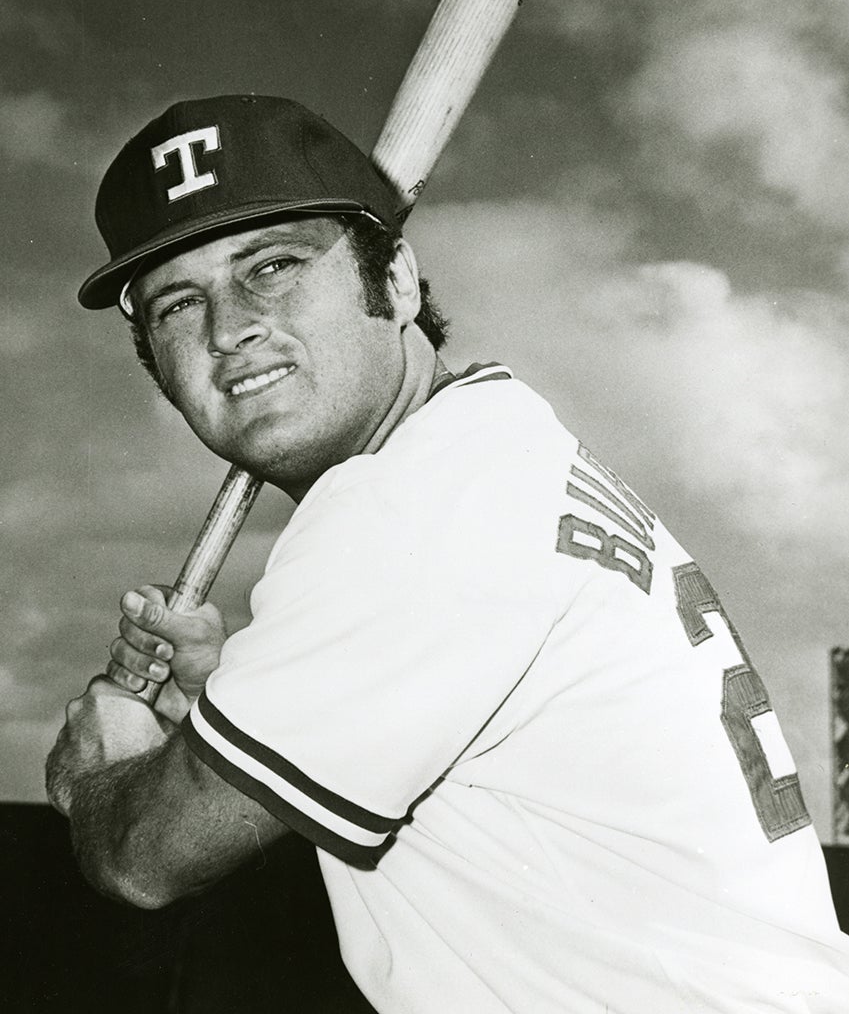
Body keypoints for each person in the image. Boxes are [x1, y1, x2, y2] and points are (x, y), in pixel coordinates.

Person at [47, 93, 849, 1013]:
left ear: (393, 284)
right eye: (178, 304)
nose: (230, 329)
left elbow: (145, 858)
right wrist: (234, 696)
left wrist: (103, 766)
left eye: (271, 267)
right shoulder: (495, 448)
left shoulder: (407, 508)